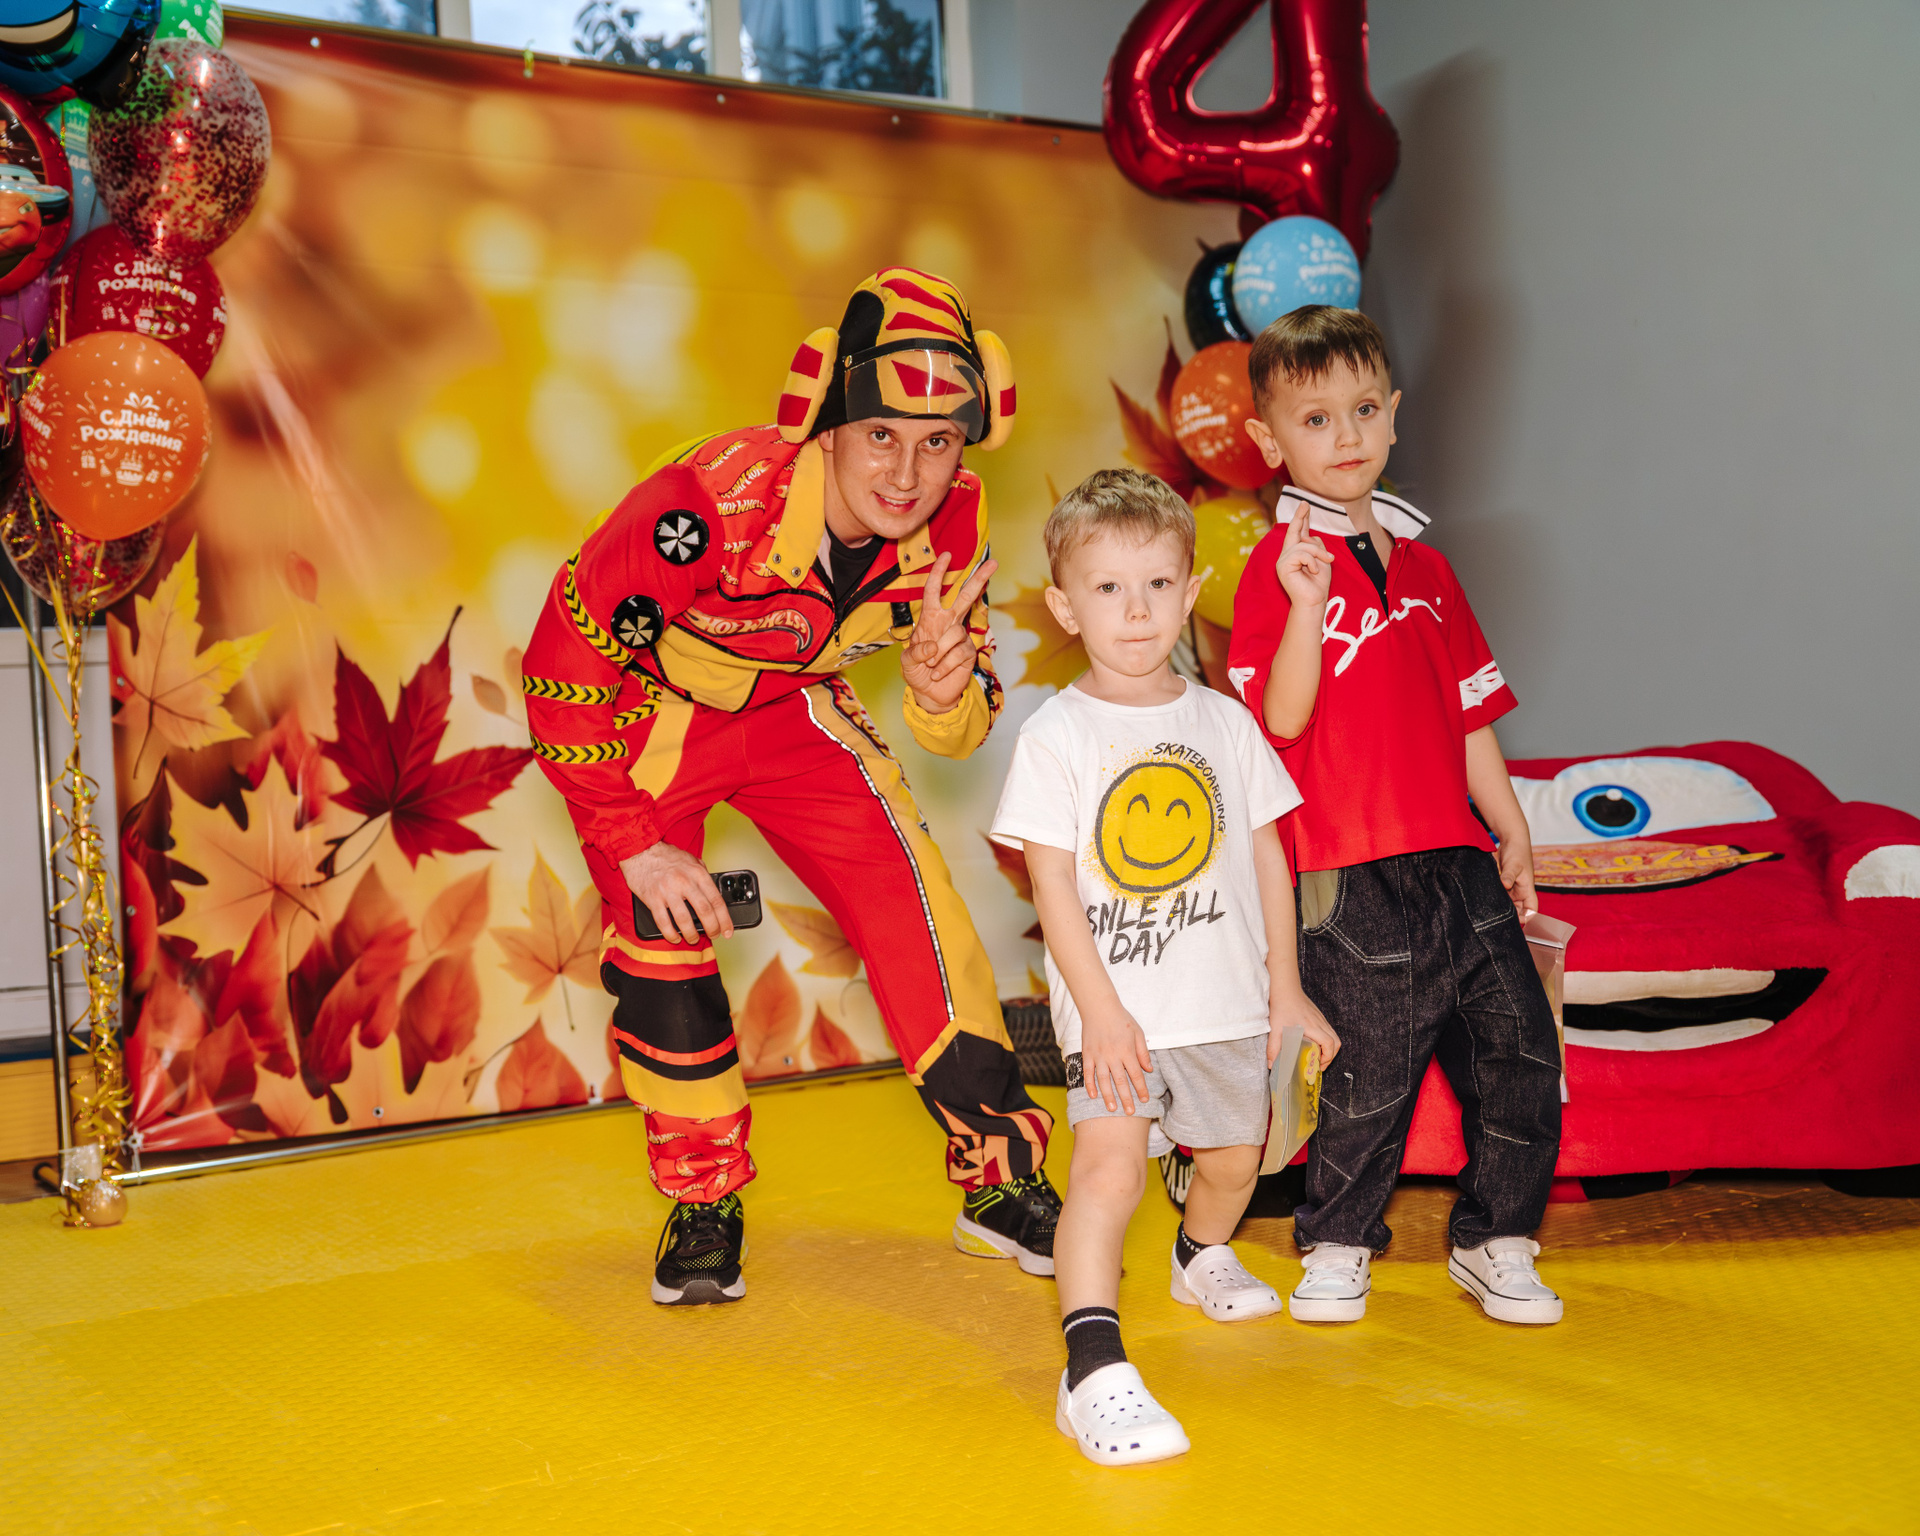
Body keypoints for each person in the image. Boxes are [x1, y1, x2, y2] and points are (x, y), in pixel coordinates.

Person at [520, 269, 1058, 1306]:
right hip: (651, 710)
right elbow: (563, 667)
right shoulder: (702, 507)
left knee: (920, 905)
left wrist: (945, 691)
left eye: (939, 440)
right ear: (827, 420)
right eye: (882, 434)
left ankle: (999, 1179)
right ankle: (704, 1201)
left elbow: (959, 722)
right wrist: (632, 841)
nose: (908, 472)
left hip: (797, 708)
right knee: (660, 937)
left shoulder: (959, 520)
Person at [990, 469, 1339, 1466]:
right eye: (1108, 588)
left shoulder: (1226, 724)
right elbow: (1053, 886)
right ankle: (1092, 1370)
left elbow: (1269, 858)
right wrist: (1101, 1015)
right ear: (1067, 606)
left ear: (1190, 593)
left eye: (1155, 585)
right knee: (1106, 1174)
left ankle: (1201, 1252)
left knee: (1235, 1163)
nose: (1135, 610)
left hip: (1225, 1002)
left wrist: (1286, 988)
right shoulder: (1057, 735)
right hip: (1119, 1015)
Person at [1228, 305, 1565, 1326]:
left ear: (1395, 414)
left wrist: (1510, 826)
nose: (1347, 436)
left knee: (1520, 1049)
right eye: (1316, 419)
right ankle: (1336, 1243)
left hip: (1456, 860)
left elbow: (1469, 716)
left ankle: (1499, 1240)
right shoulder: (1273, 571)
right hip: (1344, 869)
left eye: (1365, 409)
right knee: (1369, 1073)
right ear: (1269, 442)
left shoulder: (1431, 570)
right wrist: (1303, 605)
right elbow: (1281, 719)